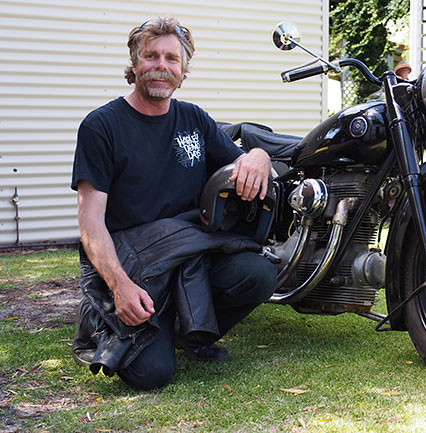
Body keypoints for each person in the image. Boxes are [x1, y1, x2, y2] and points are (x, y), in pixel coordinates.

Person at [70, 17, 277, 390]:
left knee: (257, 274)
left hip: (187, 260)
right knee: (152, 374)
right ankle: (98, 314)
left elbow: (240, 158)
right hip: (134, 265)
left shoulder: (193, 119)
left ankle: (189, 333)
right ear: (134, 65)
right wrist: (119, 287)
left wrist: (259, 156)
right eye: (151, 56)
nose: (161, 66)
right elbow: (91, 223)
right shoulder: (101, 126)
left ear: (182, 72)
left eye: (172, 59)